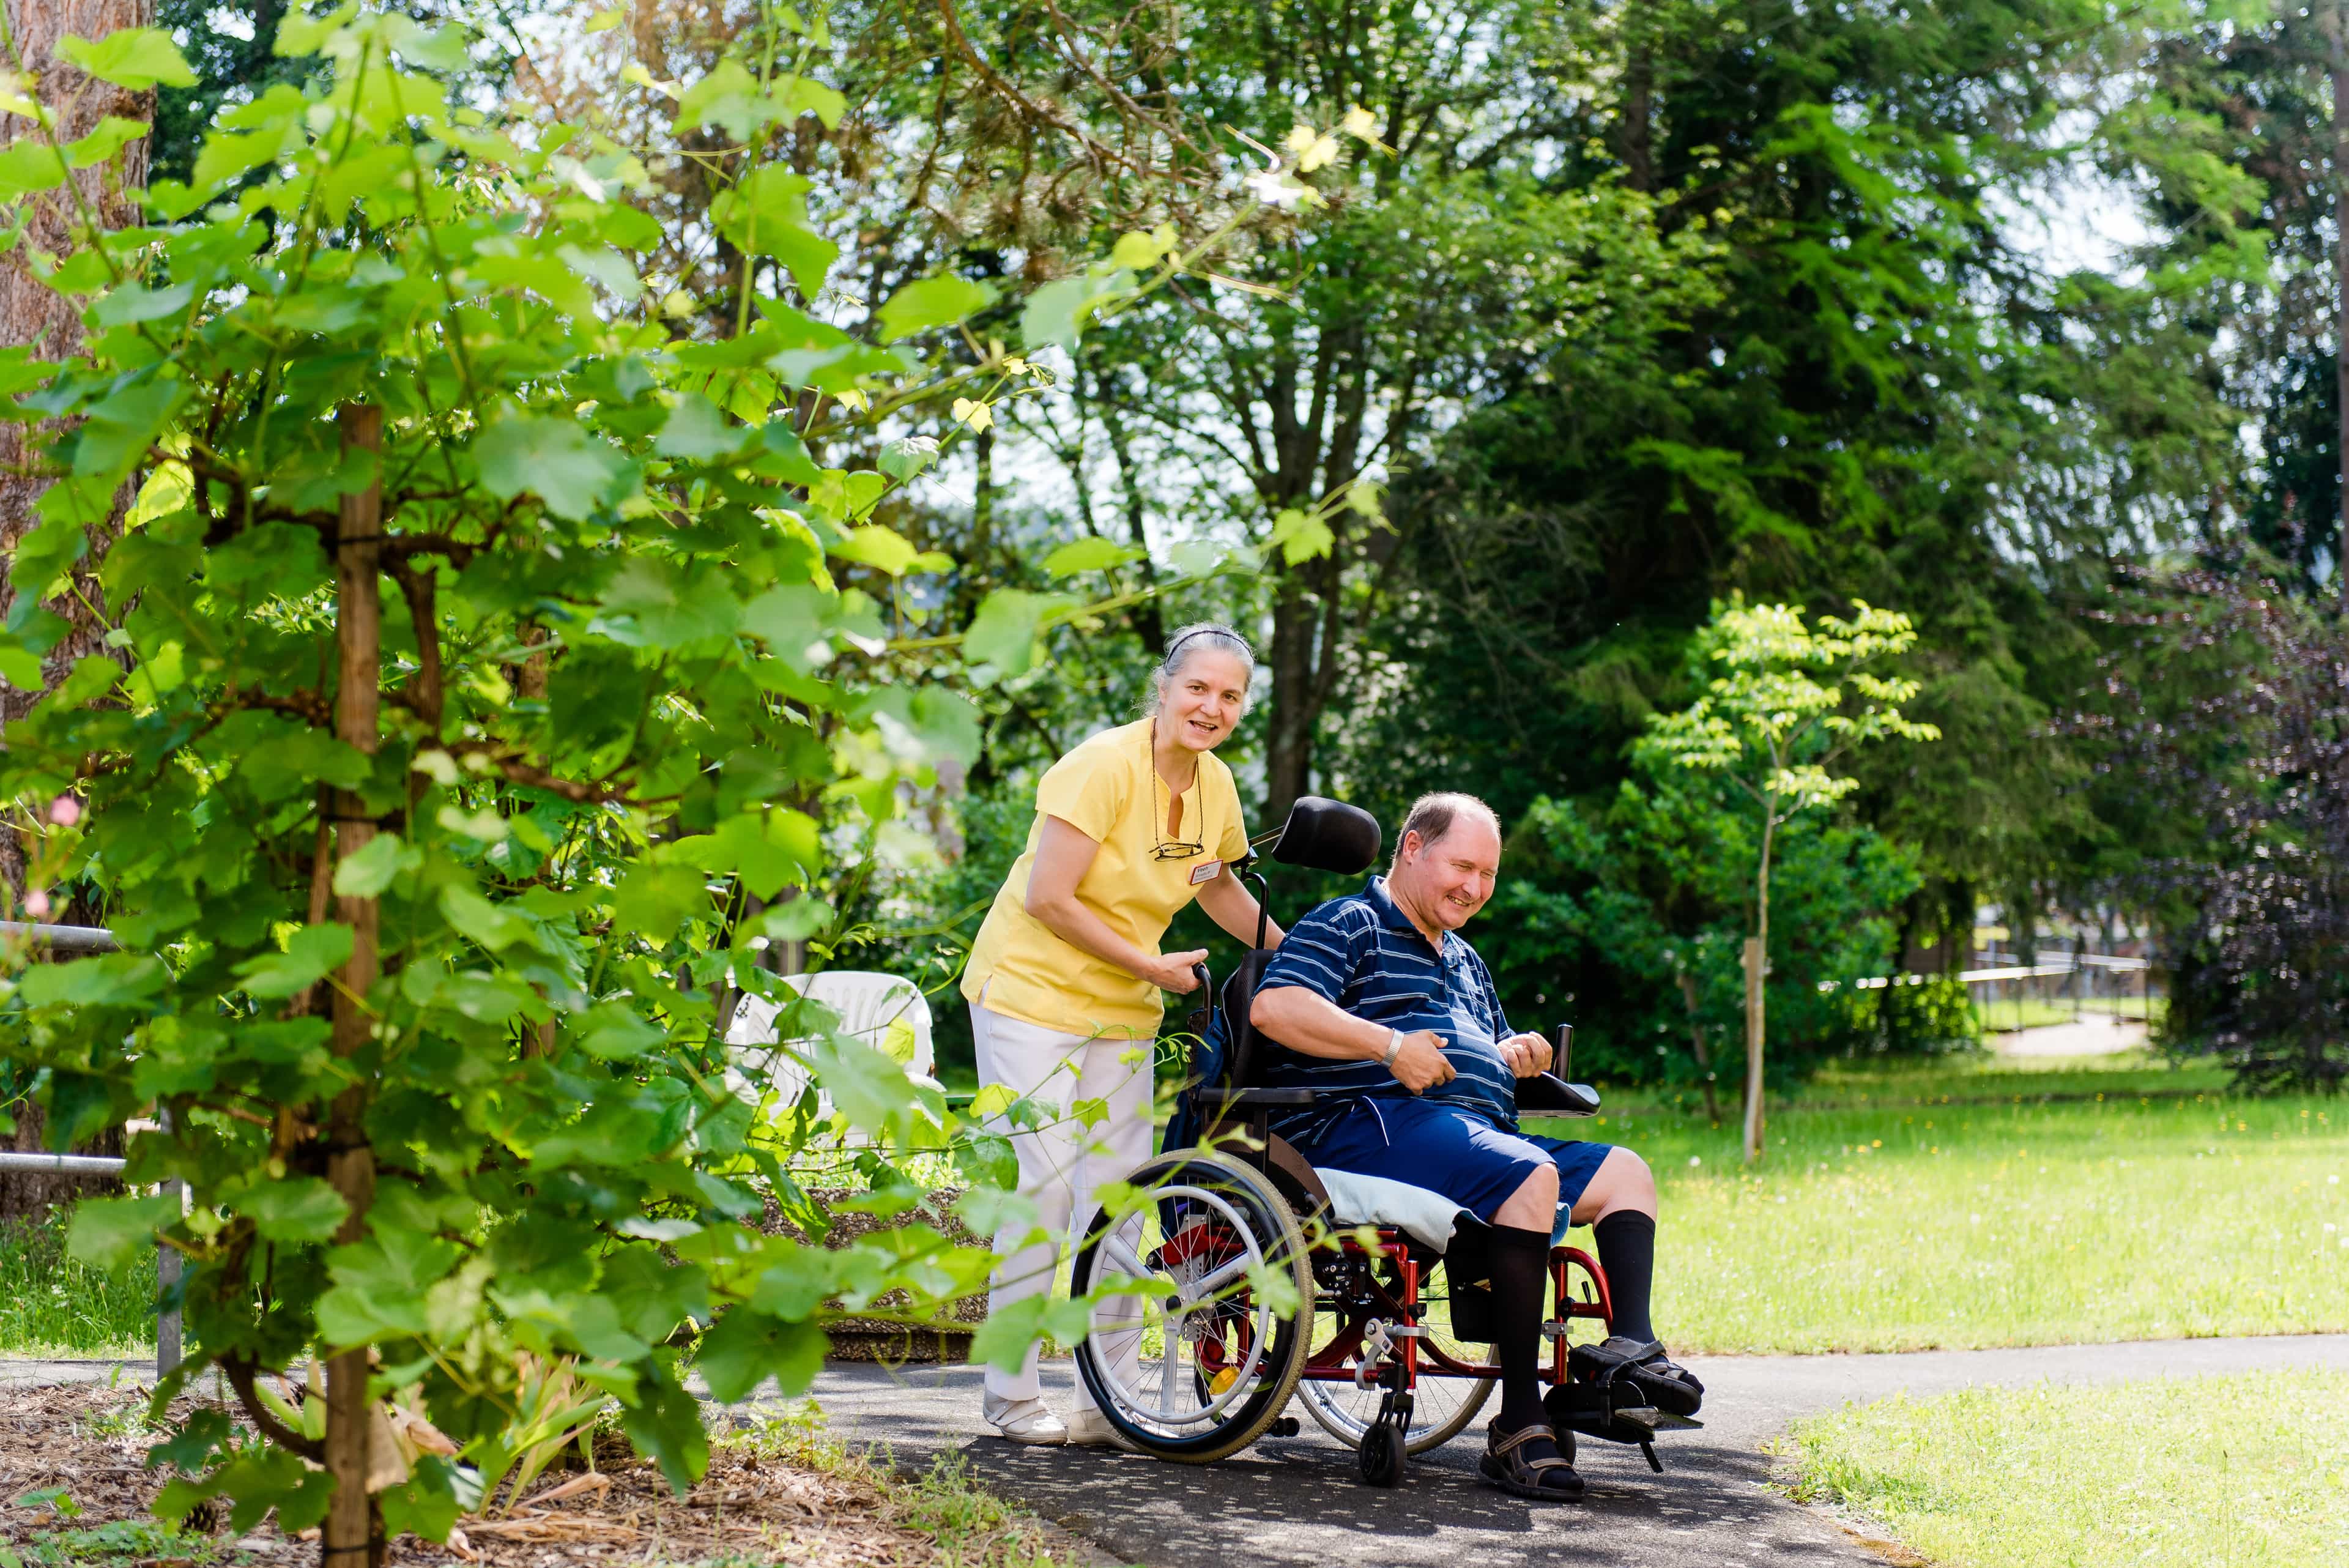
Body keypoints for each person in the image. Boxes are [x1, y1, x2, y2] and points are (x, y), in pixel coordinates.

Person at [1249, 791, 1701, 1502]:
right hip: (1367, 1124)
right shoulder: (1348, 922)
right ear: (1412, 848)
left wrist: (1513, 1051)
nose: (1475, 888)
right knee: (1527, 1175)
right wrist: (1389, 1045)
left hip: (1472, 1132)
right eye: (1462, 866)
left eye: (1488, 875)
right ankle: (1519, 1422)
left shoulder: (1464, 957)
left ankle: (1628, 1358)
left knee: (1624, 1173)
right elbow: (1275, 1008)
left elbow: (1471, 1047)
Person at [960, 624, 1283, 1447]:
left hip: (1123, 1008)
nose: (1212, 707)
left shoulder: (1216, 785)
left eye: (1230, 695)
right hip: (1029, 995)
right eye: (1199, 689)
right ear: (1165, 687)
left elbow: (1216, 885)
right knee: (1045, 1191)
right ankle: (1009, 1397)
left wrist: (1302, 954)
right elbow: (1049, 896)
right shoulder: (1100, 764)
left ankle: (1108, 1393)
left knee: (1117, 1196)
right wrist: (1152, 961)